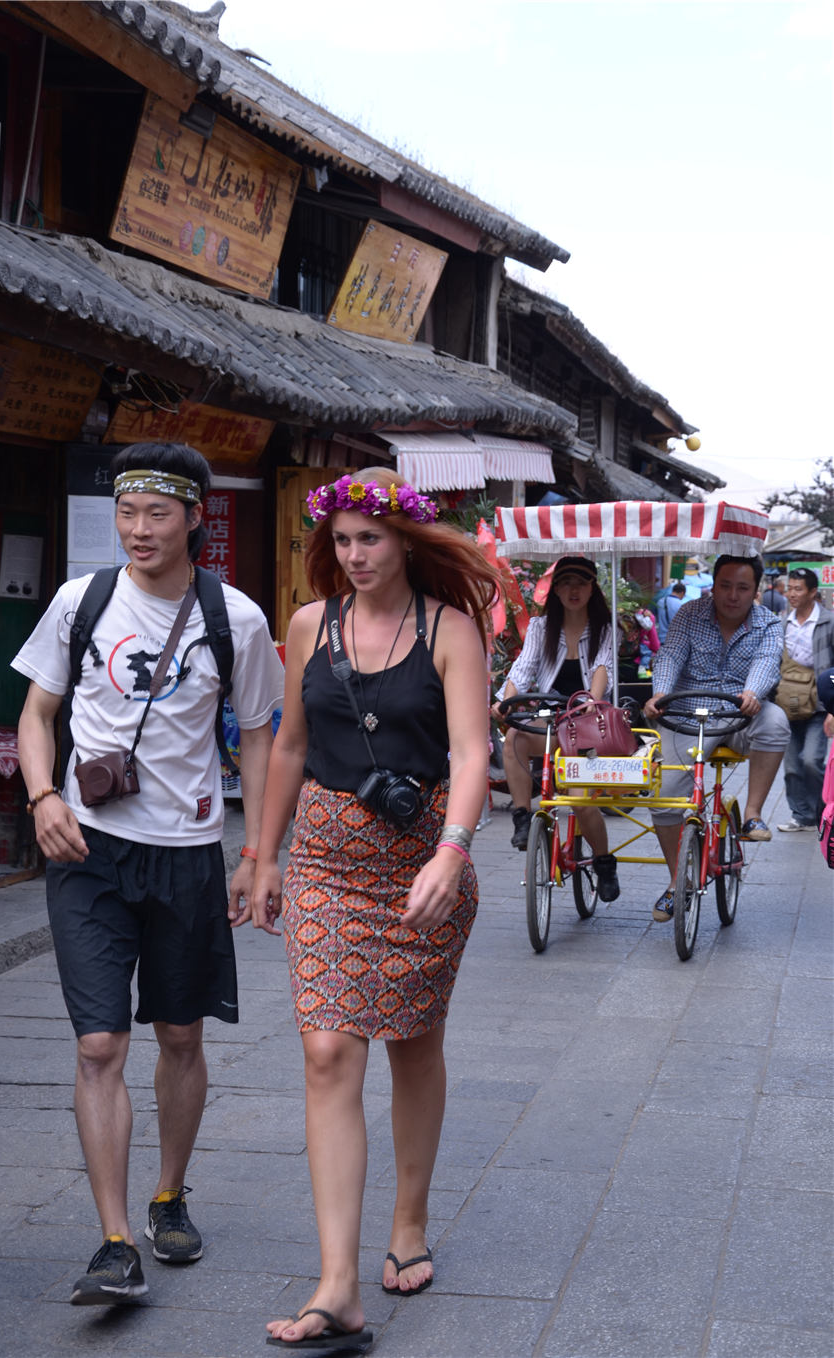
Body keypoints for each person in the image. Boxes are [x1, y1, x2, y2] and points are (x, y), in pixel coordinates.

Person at [12, 443, 284, 1306]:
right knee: (99, 1043)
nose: (138, 529)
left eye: (157, 514)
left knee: (180, 1037)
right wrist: (42, 796)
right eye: (127, 512)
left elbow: (259, 737)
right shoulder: (80, 601)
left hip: (188, 852)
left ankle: (169, 1196)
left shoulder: (234, 618)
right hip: (86, 849)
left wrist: (257, 852)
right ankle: (114, 1239)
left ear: (194, 517)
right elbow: (37, 713)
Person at [246, 468, 499, 1353]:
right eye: (343, 540)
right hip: (324, 859)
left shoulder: (450, 629)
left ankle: (409, 1220)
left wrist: (453, 851)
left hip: (421, 859)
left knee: (413, 1041)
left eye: (371, 539)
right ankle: (338, 1284)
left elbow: (472, 752)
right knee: (326, 1051)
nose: (354, 555)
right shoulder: (309, 624)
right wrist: (262, 855)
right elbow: (291, 745)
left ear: (406, 542)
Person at [644, 554, 790, 922]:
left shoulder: (769, 623)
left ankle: (753, 815)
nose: (732, 595)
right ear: (713, 586)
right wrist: (660, 693)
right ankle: (677, 881)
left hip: (740, 713)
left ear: (755, 591)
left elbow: (767, 661)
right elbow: (670, 654)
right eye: (725, 586)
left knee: (776, 722)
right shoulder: (690, 613)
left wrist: (753, 693)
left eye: (742, 588)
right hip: (686, 714)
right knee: (664, 798)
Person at [492, 555, 620, 903]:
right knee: (514, 738)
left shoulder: (605, 628)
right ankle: (522, 817)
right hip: (550, 719)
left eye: (581, 582)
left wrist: (592, 700)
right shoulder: (540, 627)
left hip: (587, 724)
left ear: (593, 588)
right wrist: (506, 701)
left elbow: (602, 668)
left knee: (581, 802)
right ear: (556, 590)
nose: (573, 589)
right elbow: (522, 669)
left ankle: (604, 863)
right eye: (565, 583)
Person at [776, 568, 834, 832]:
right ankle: (801, 815)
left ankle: (821, 812)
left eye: (798, 589)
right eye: (790, 588)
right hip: (787, 703)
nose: (792, 594)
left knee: (811, 760)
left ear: (812, 592)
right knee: (791, 766)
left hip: (819, 705)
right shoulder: (783, 623)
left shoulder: (828, 622)